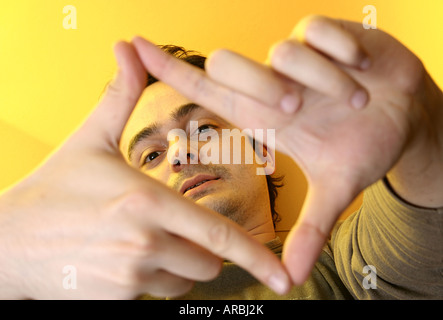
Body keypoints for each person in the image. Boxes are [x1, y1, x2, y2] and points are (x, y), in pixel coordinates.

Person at [0, 15, 441, 299]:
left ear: (262, 151)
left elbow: (421, 235)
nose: (180, 154)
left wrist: (422, 130)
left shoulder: (346, 266)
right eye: (150, 155)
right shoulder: (95, 289)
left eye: (204, 129)